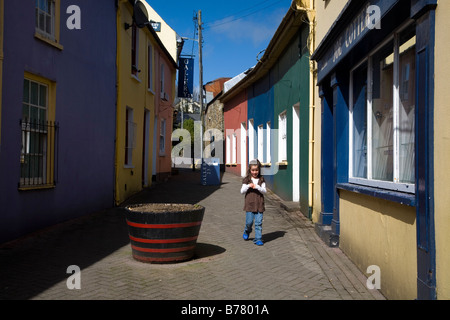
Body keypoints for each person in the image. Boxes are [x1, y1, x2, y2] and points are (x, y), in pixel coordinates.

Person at [240, 159, 266, 246]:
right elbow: (242, 191)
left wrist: (258, 187)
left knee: (258, 223)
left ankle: (258, 239)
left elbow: (264, 191)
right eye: (253, 170)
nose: (255, 172)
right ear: (250, 170)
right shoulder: (247, 180)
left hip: (259, 204)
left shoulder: (261, 179)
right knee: (249, 222)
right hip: (250, 205)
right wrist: (248, 186)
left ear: (259, 170)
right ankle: (247, 231)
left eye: (256, 170)